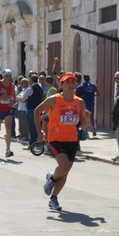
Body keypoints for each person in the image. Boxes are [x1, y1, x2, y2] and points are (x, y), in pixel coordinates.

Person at [34, 72, 91, 211]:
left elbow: (83, 125)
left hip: (71, 139)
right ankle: (52, 178)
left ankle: (53, 198)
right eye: (68, 82)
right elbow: (37, 111)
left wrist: (87, 119)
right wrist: (39, 132)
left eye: (73, 82)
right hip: (55, 138)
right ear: (62, 85)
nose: (71, 85)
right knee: (64, 166)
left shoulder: (80, 102)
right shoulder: (54, 99)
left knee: (65, 172)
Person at [21, 75, 43, 150]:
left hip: (31, 110)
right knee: (38, 127)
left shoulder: (30, 89)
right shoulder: (39, 88)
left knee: (32, 127)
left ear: (31, 80)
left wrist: (18, 98)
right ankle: (37, 143)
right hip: (39, 109)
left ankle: (31, 144)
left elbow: (23, 98)